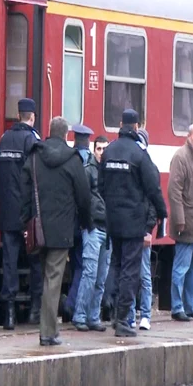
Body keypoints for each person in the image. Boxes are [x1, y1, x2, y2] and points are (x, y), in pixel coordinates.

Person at [20, 117, 91, 346]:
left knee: (44, 278)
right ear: (66, 134)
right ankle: (48, 332)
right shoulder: (72, 160)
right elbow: (84, 197)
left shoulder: (34, 156)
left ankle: (47, 329)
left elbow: (24, 192)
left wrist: (25, 222)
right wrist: (86, 222)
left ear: (49, 132)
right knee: (53, 279)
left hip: (38, 229)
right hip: (62, 231)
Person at [99, 109, 167, 337]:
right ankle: (122, 321)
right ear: (137, 127)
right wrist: (161, 210)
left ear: (120, 124)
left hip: (113, 221)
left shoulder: (109, 151)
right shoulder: (139, 154)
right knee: (130, 270)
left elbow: (100, 186)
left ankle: (109, 303)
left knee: (115, 265)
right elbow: (153, 187)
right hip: (133, 223)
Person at [0, 98, 44, 330]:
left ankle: (10, 314)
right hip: (27, 213)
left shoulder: (4, 140)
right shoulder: (32, 140)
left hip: (6, 212)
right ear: (32, 117)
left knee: (9, 262)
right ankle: (35, 309)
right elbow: (37, 178)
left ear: (18, 115)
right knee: (35, 260)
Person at [71, 135, 110, 332]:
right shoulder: (88, 171)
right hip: (94, 228)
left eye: (105, 149)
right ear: (94, 150)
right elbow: (81, 199)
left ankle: (94, 316)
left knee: (101, 277)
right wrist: (88, 224)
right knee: (90, 273)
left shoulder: (109, 173)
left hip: (107, 230)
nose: (102, 152)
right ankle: (80, 315)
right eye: (99, 149)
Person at [167, 124, 193, 322]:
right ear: (188, 136)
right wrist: (179, 219)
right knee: (181, 267)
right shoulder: (181, 158)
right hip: (185, 223)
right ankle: (177, 306)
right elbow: (174, 191)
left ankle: (190, 306)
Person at [126, 128, 158, 331]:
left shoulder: (149, 168)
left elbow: (153, 203)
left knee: (142, 274)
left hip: (140, 227)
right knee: (132, 274)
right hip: (132, 227)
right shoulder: (142, 166)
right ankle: (131, 315)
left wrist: (148, 228)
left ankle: (145, 314)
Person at [62, 123, 94, 321]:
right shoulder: (89, 162)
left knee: (75, 264)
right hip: (83, 222)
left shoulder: (68, 159)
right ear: (88, 141)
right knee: (84, 265)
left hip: (67, 222)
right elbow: (87, 196)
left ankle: (71, 305)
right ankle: (71, 304)